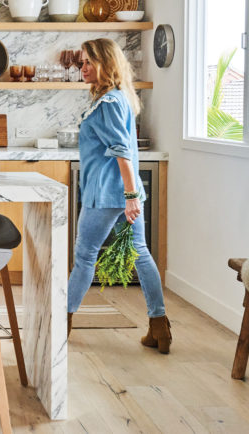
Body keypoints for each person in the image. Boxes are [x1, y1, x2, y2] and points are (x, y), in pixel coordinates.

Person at [67, 38, 170, 353]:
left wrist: (129, 196)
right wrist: (132, 194)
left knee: (85, 257)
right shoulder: (115, 98)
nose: (82, 68)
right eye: (81, 63)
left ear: (105, 64)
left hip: (107, 195)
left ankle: (62, 322)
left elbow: (123, 152)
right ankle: (159, 327)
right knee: (140, 252)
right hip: (122, 192)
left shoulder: (110, 102)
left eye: (88, 62)